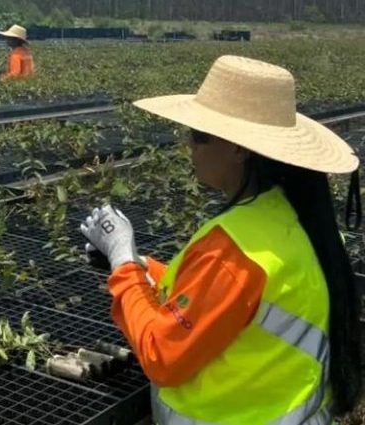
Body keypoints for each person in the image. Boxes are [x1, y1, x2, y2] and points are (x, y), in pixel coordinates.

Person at [81, 55, 361, 423]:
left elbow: (161, 355)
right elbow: (223, 298)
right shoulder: (299, 220)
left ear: (239, 148)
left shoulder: (236, 250)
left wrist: (122, 263)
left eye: (199, 137)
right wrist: (139, 264)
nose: (190, 147)